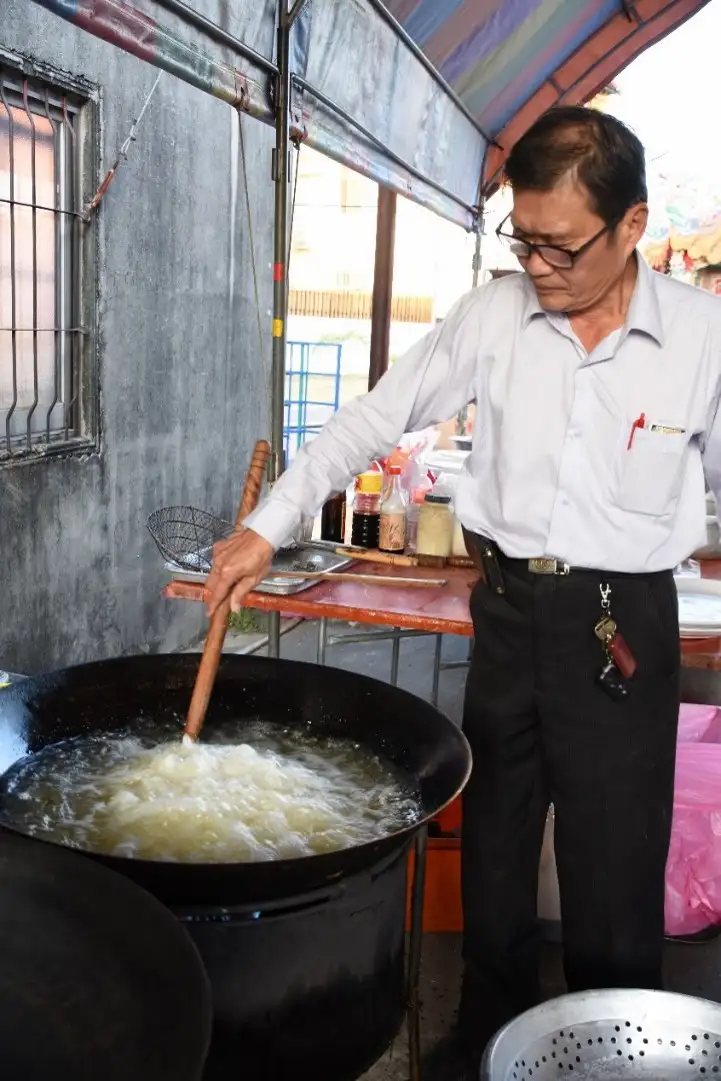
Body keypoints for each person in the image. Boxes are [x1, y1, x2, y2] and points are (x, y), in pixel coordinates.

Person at [206, 106, 721, 1078]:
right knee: (493, 845)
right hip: (511, 610)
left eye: (561, 247)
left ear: (632, 226)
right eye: (521, 240)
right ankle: (486, 1042)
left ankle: (618, 1055)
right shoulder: (495, 315)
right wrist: (264, 528)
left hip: (622, 624)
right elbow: (370, 419)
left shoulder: (703, 338)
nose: (538, 267)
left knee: (613, 869)